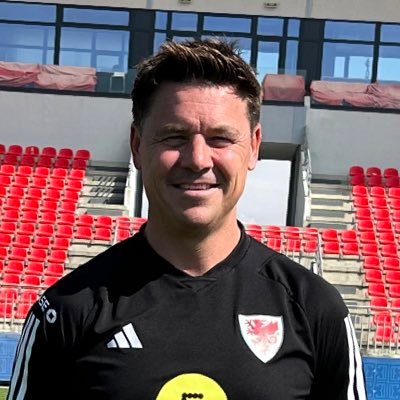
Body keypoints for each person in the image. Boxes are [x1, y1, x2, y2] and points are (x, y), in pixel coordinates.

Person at [7, 38, 366, 400]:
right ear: (136, 145)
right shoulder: (66, 311)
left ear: (254, 147)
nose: (197, 159)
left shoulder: (316, 310)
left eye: (220, 138)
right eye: (174, 136)